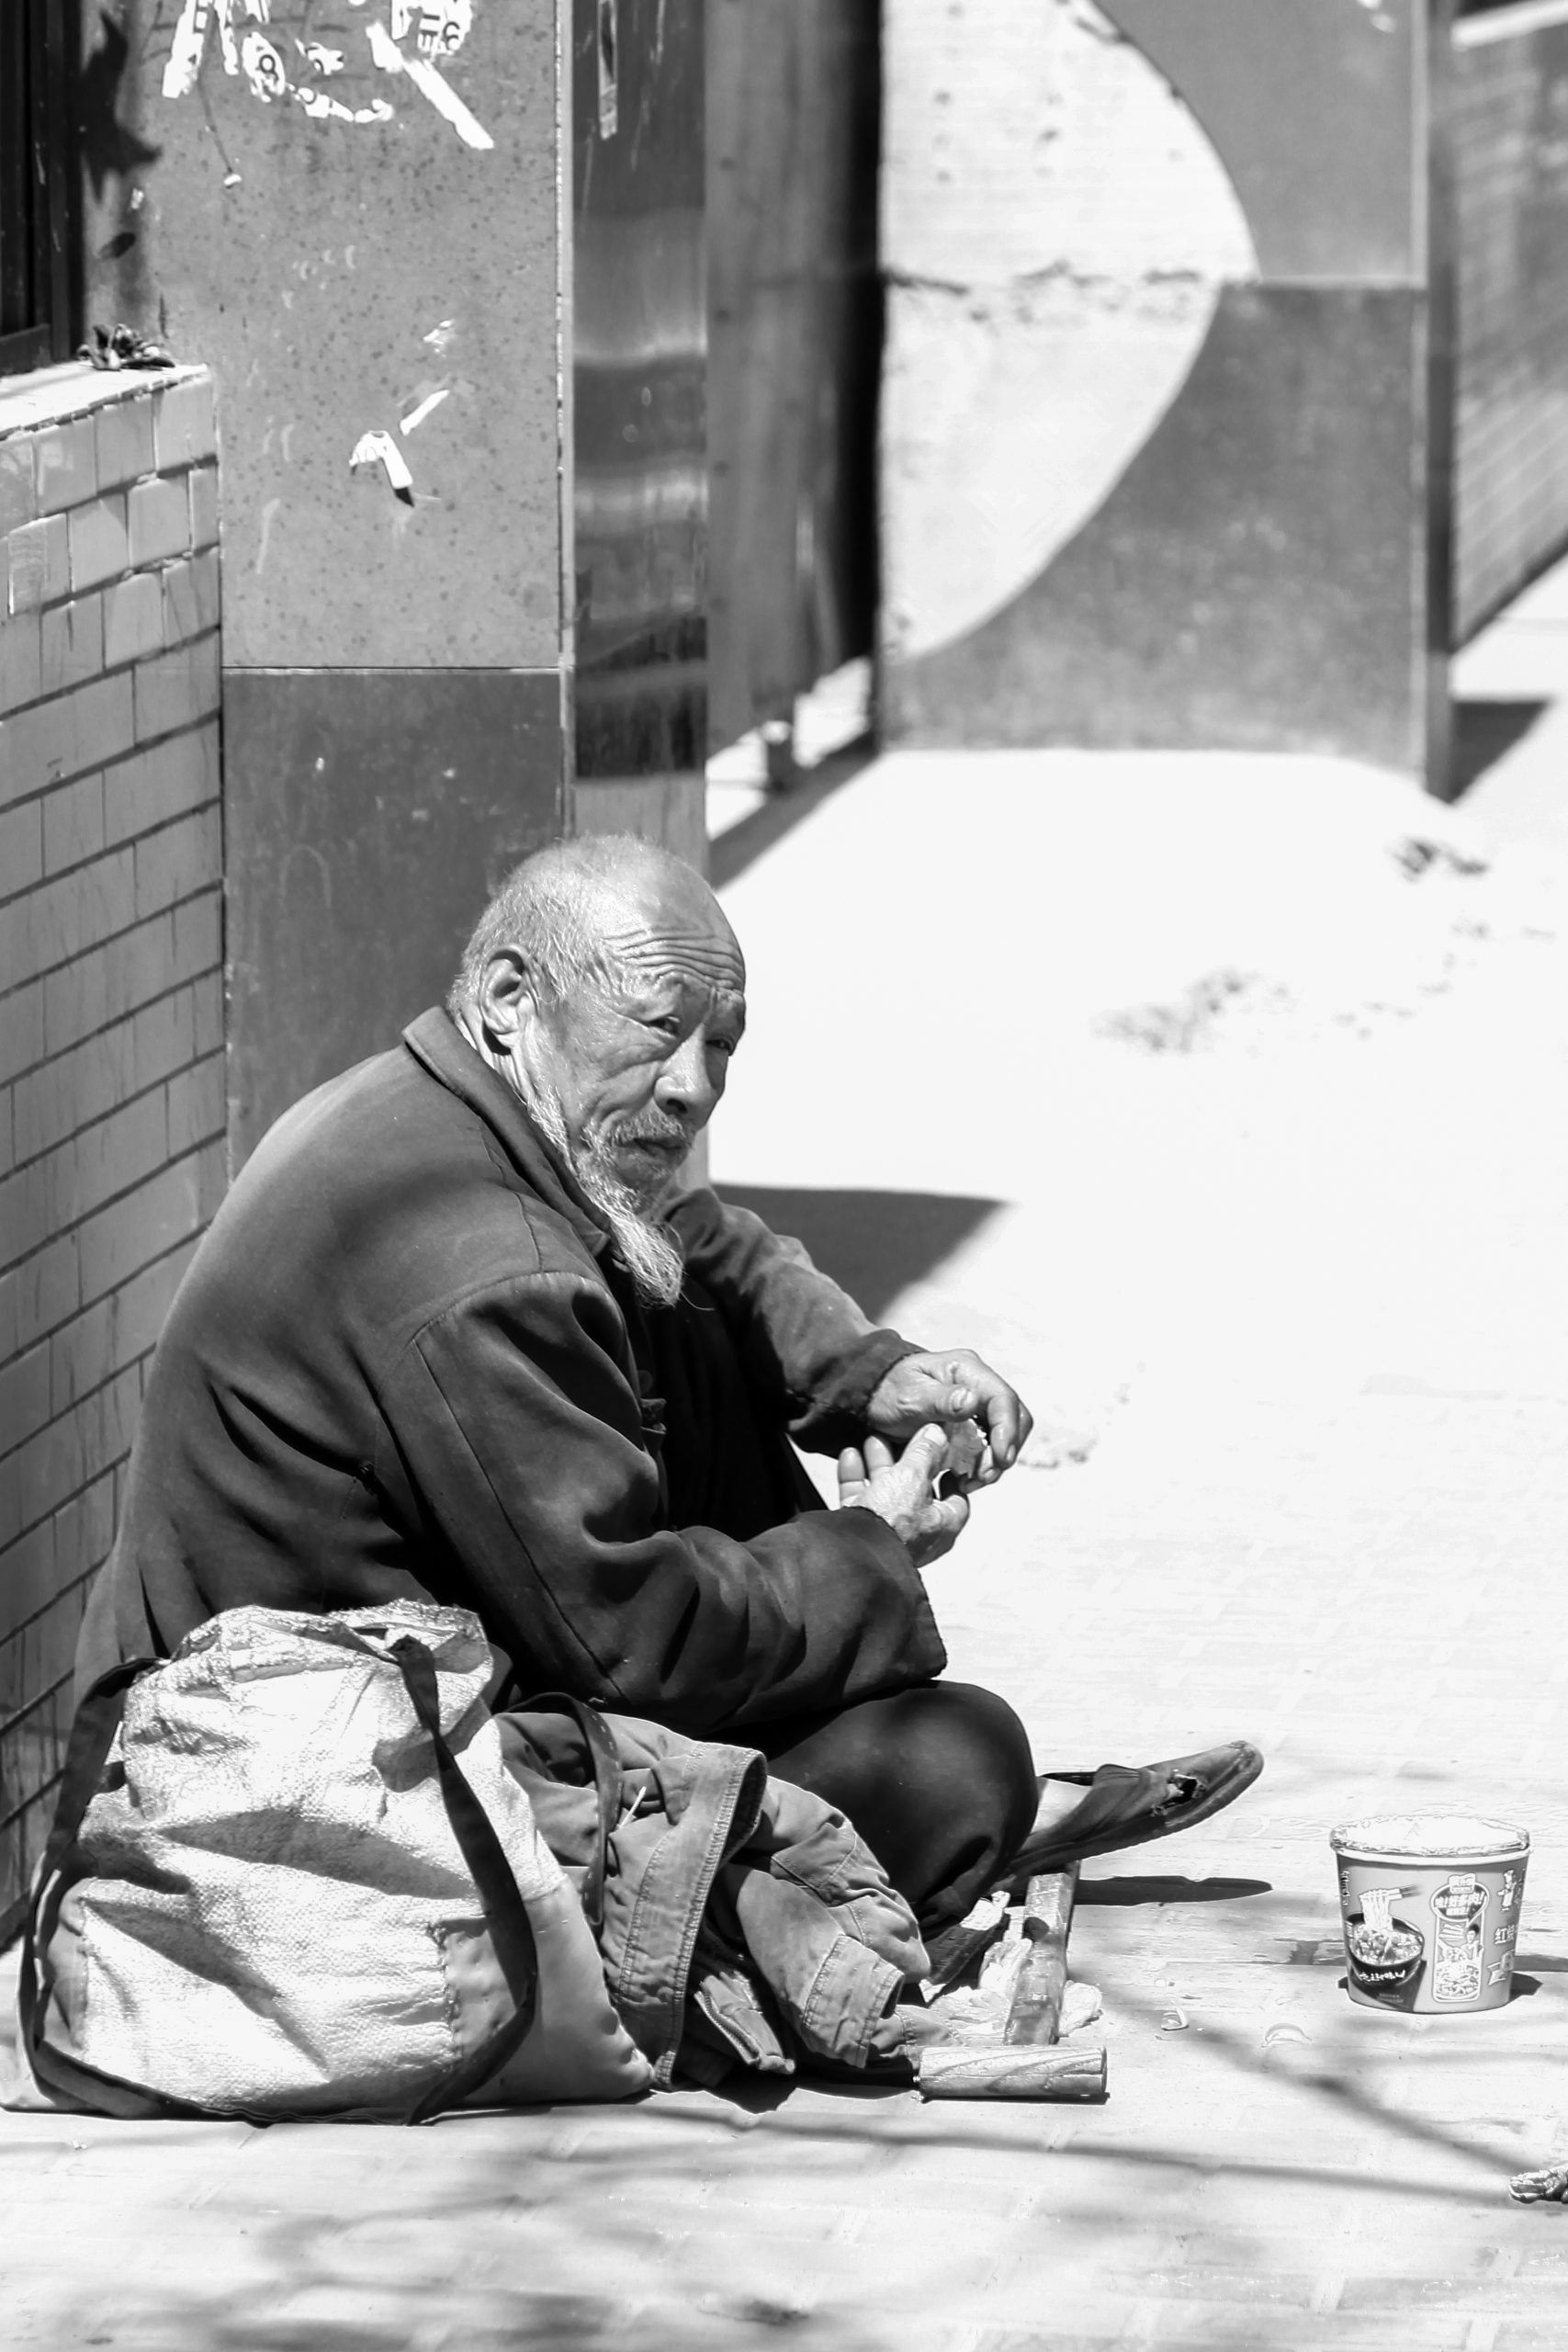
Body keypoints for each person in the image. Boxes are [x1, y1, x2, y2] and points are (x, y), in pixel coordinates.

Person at [77, 835, 1259, 1955]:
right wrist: (870, 1549)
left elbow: (701, 1237)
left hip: (395, 1698)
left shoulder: (443, 1110)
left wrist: (863, 1375)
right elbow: (634, 1644)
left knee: (684, 1309)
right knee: (956, 1759)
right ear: (509, 996)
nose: (692, 1087)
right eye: (656, 1031)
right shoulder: (487, 1269)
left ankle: (841, 1779)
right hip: (304, 1807)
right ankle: (929, 1829)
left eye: (723, 1045)